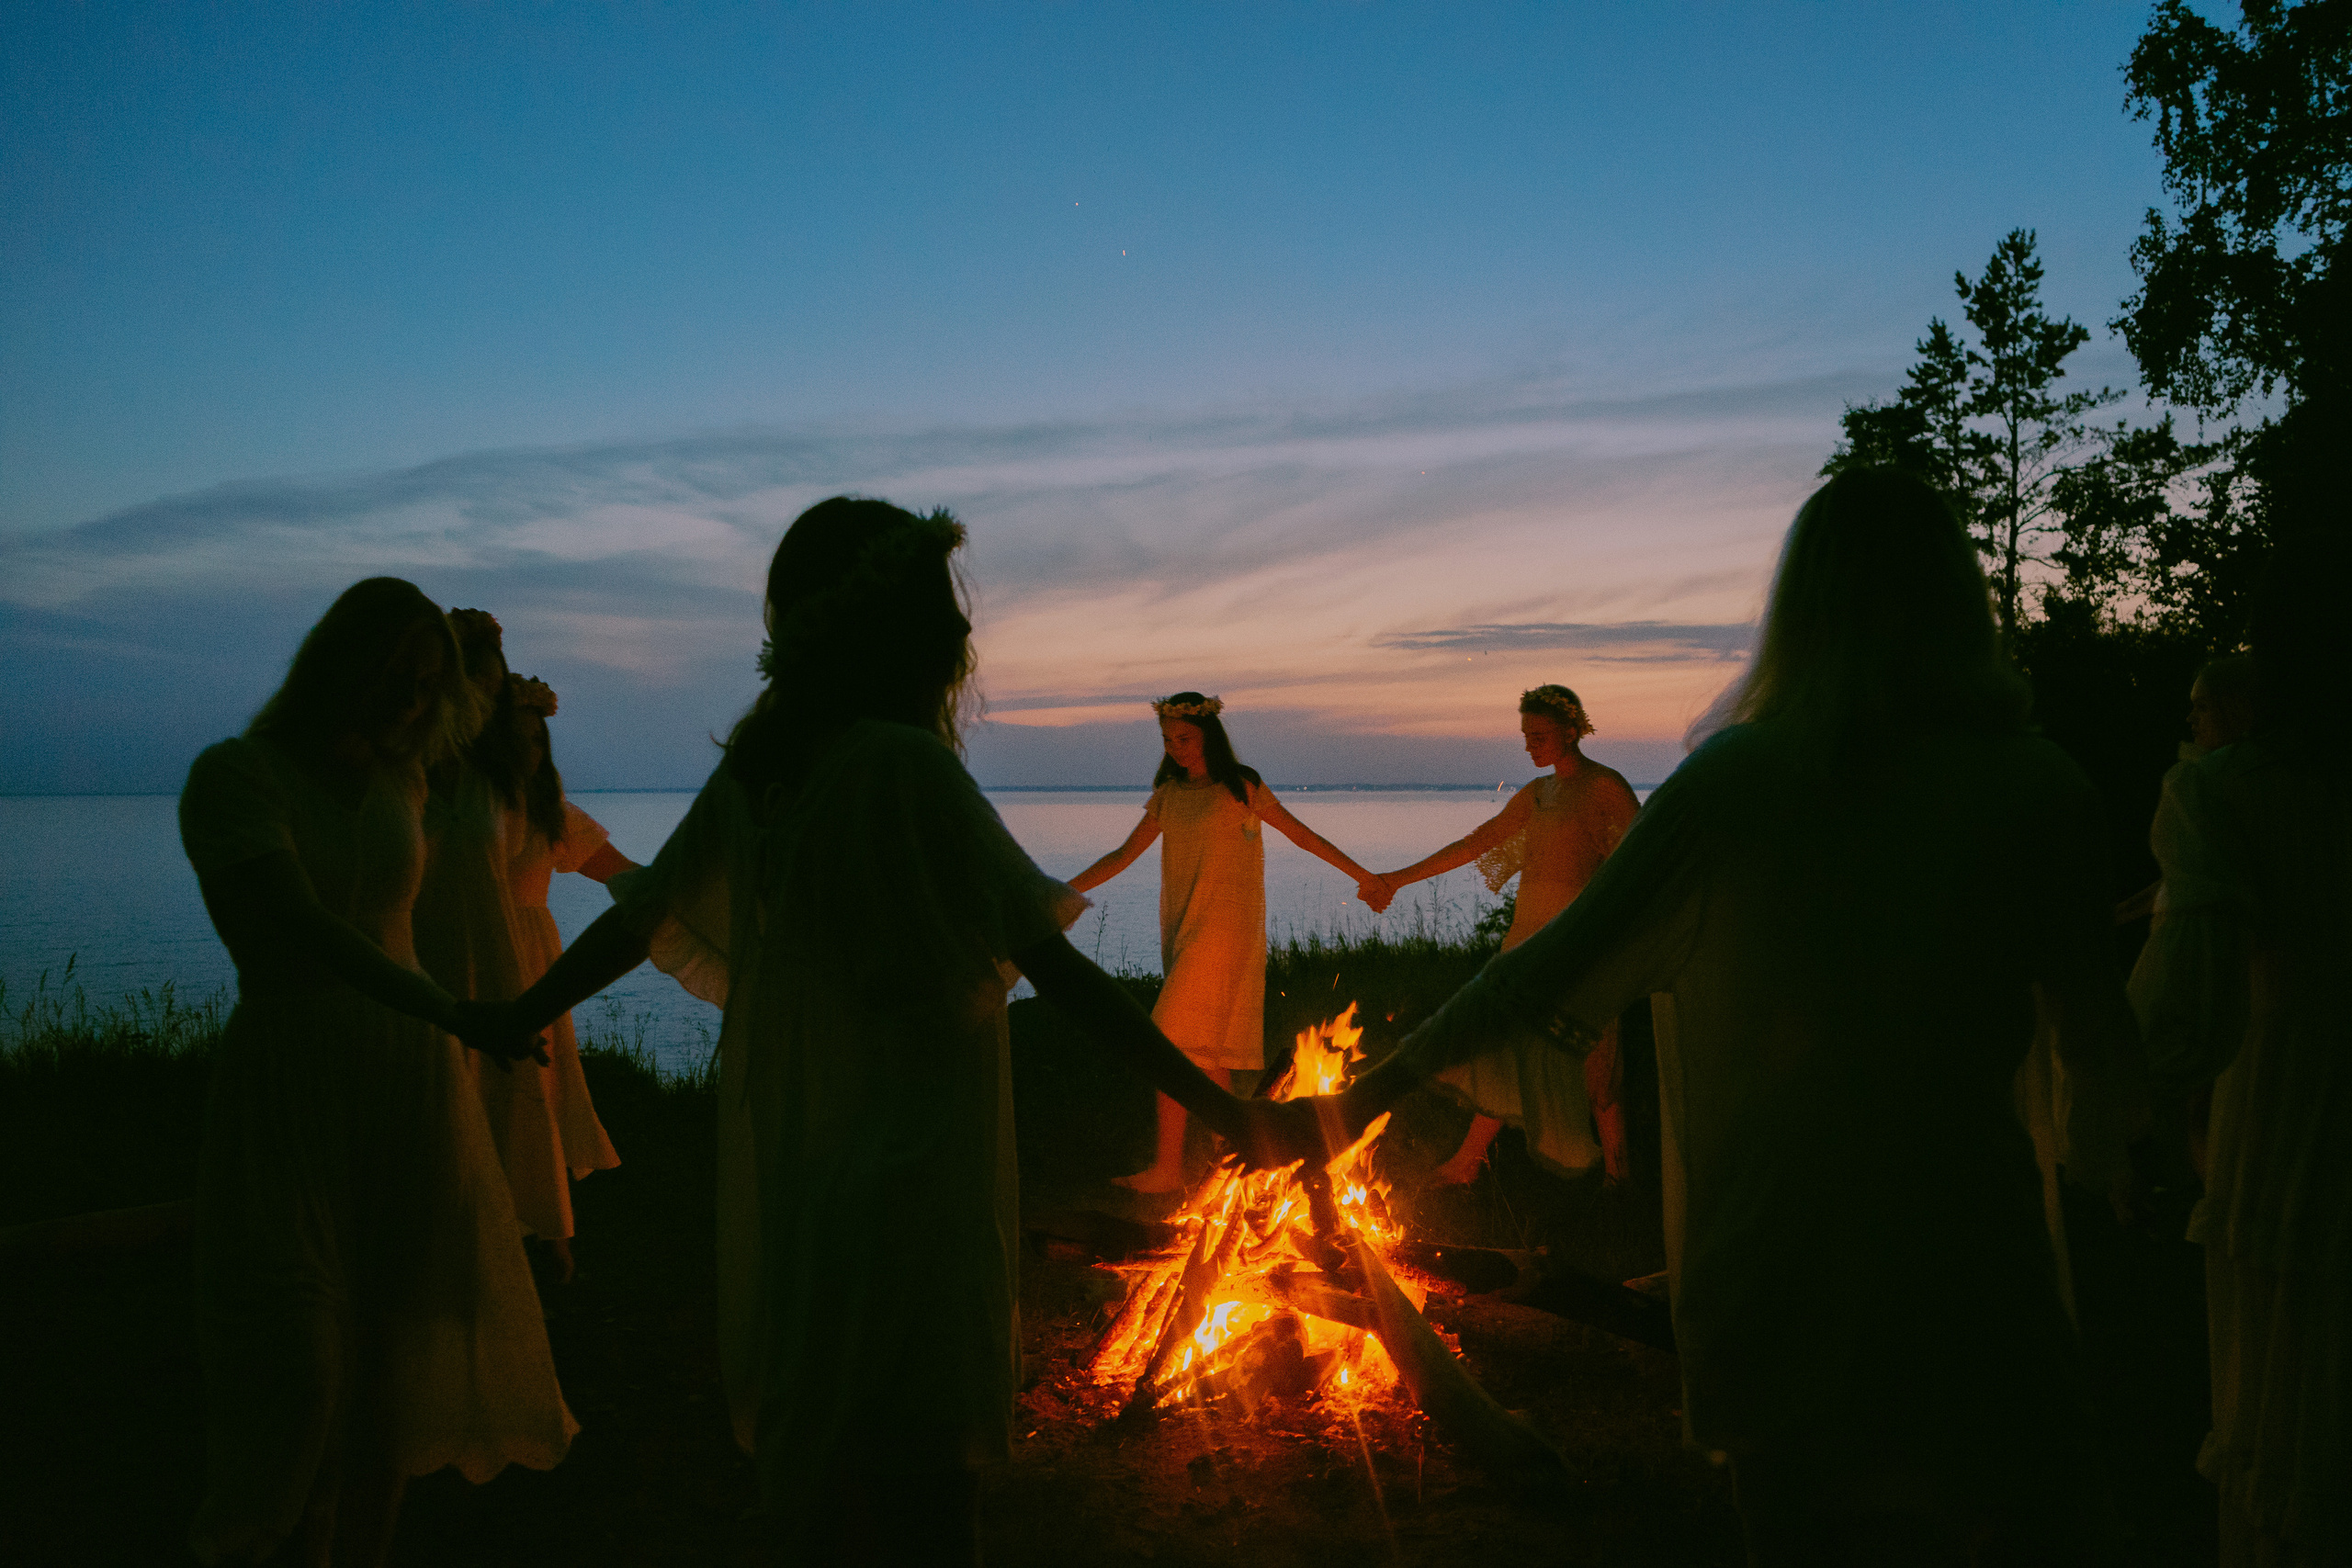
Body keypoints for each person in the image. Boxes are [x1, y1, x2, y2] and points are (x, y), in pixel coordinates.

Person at [1309, 469, 2136, 1563]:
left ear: (1799, 605)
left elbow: (1538, 978)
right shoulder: (2038, 785)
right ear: (1956, 597)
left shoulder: (1736, 785)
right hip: (1973, 1250)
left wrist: (1348, 1105)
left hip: (1784, 1253)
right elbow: (2099, 1045)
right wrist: (2118, 1170)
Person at [495, 499, 1296, 1565]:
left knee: (827, 1445)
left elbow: (647, 912)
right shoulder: (901, 766)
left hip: (803, 1149)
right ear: (891, 626)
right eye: (941, 607)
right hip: (916, 1157)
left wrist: (511, 1013)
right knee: (925, 1470)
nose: (963, 636)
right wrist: (1227, 1108)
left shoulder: (767, 764)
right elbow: (1049, 962)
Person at [176, 578, 572, 1567]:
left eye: (427, 681)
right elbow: (301, 928)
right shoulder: (235, 777)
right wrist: (454, 1011)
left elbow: (490, 729)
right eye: (396, 672)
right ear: (338, 661)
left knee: (393, 1371)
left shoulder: (408, 782)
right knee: (296, 1365)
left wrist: (487, 659)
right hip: (293, 1082)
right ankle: (246, 1540)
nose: (409, 695)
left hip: (406, 1081)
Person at [2132, 535, 2348, 1566]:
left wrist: (2104, 1082)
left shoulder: (2224, 794)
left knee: (2292, 1379)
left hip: (2298, 1102)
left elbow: (2185, 1012)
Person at [1066, 693, 1386, 1193]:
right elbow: (1123, 855)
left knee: (1167, 1043)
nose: (1176, 748)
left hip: (1225, 932)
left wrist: (1365, 876)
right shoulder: (1169, 794)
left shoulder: (1241, 787)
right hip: (1184, 927)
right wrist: (1061, 892)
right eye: (1169, 740)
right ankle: (1232, 1165)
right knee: (1207, 1053)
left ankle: (1168, 1169)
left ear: (1209, 735)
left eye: (1186, 738)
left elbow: (1302, 836)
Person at [1367, 684, 1640, 1184]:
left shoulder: (1606, 787)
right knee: (1504, 1054)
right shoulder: (1538, 794)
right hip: (1525, 937)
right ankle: (1467, 1162)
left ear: (1572, 731)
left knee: (1594, 1062)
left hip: (1578, 941)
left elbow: (1644, 858)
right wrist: (1395, 880)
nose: (1530, 746)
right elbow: (1474, 844)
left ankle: (1620, 1178)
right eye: (1525, 737)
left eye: (1539, 736)